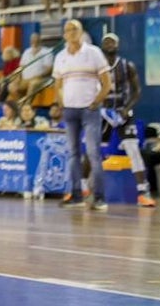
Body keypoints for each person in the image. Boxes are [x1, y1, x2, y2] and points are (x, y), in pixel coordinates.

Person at [52, 19, 111, 211]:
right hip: (70, 110)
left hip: (90, 109)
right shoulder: (60, 57)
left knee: (93, 153)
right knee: (73, 154)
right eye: (67, 30)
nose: (71, 32)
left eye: (74, 29)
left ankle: (99, 197)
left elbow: (106, 83)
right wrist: (62, 103)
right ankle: (76, 195)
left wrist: (96, 102)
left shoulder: (93, 53)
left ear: (81, 32)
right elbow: (58, 85)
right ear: (64, 35)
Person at [99, 33, 156, 207]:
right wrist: (99, 108)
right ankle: (86, 188)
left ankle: (142, 191)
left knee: (133, 149)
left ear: (118, 45)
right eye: (106, 41)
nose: (109, 44)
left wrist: (127, 109)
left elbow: (137, 91)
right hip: (103, 113)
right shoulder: (97, 67)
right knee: (93, 150)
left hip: (124, 113)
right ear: (102, 45)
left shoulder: (127, 65)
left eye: (113, 41)